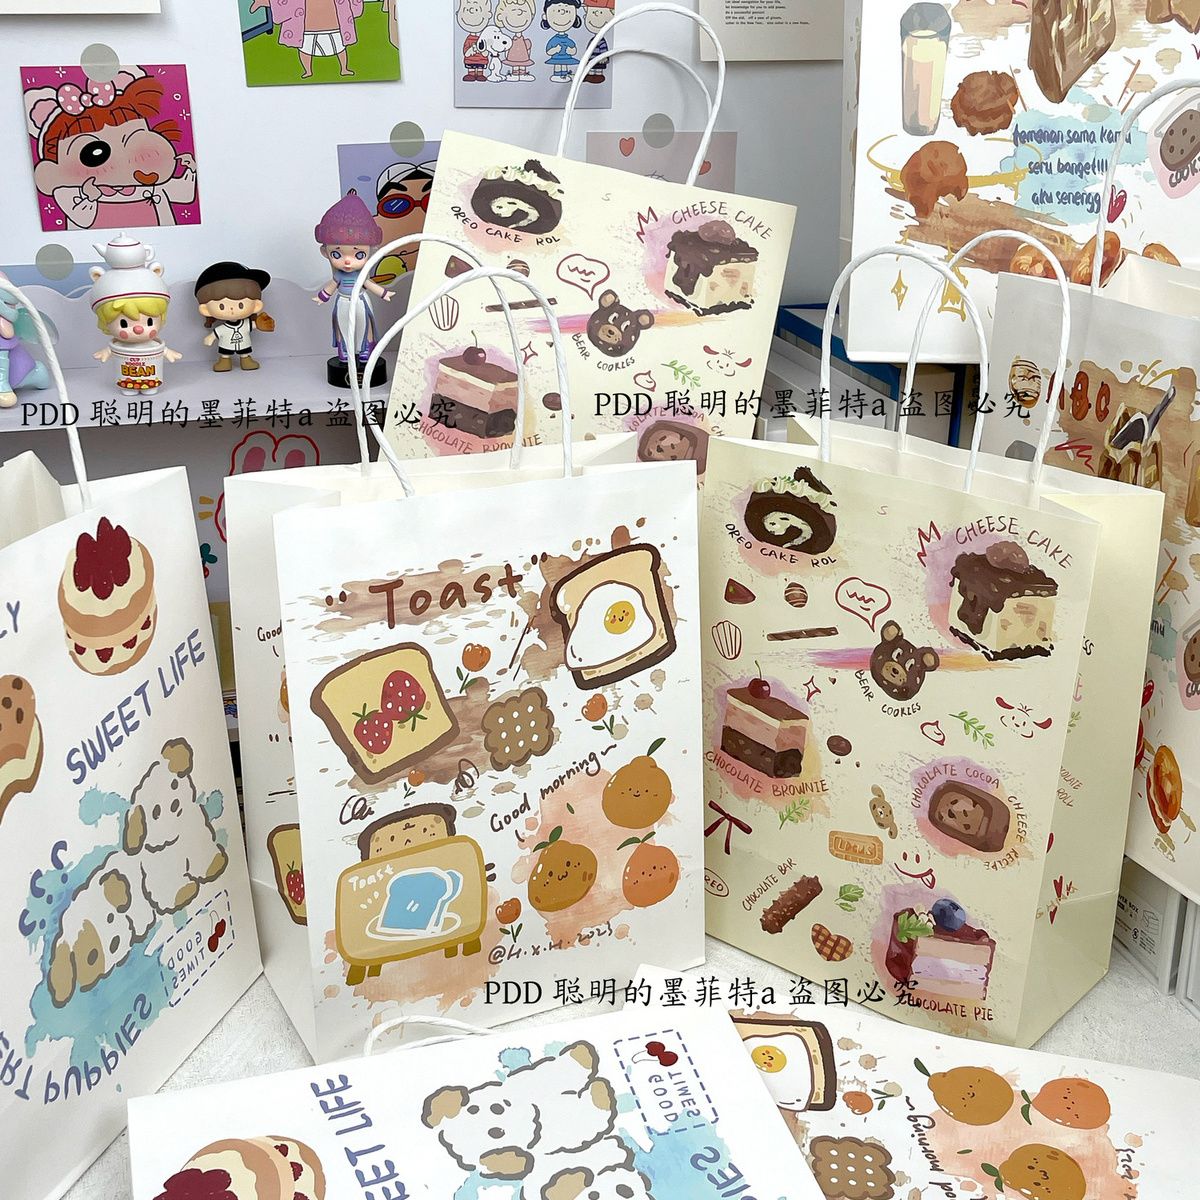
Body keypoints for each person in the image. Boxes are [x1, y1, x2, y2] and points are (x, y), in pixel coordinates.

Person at [24, 68, 197, 230]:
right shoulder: (69, 194)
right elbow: (82, 220)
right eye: (94, 153)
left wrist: (190, 170)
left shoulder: (153, 186)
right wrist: (89, 197)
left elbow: (185, 194)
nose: (121, 160)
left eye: (135, 140)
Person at [313, 190, 394, 366]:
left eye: (358, 255)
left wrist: (384, 293)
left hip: (360, 301)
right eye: (337, 254)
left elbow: (368, 284)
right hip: (342, 300)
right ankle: (344, 347)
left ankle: (366, 346)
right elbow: (332, 285)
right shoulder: (339, 275)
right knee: (341, 324)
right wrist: (322, 297)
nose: (347, 261)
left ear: (370, 252)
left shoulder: (361, 275)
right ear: (325, 252)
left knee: (365, 323)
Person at [194, 262, 275, 373]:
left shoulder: (246, 324)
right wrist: (210, 338)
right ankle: (224, 361)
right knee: (225, 354)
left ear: (256, 305)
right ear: (205, 309)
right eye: (222, 306)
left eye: (241, 305)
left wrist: (261, 324)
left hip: (244, 345)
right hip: (226, 346)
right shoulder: (223, 328)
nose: (232, 309)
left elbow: (254, 325)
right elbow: (216, 333)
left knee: (245, 352)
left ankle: (246, 360)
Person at [542, 0, 582, 82]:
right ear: (545, 16)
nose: (562, 14)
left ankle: (564, 75)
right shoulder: (553, 40)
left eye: (567, 11)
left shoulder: (568, 40)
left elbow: (573, 49)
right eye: (556, 11)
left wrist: (571, 50)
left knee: (564, 66)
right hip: (556, 58)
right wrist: (555, 50)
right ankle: (556, 75)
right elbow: (549, 51)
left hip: (566, 58)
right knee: (557, 66)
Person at [497, 0, 536, 81]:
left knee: (522, 65)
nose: (518, 13)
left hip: (523, 57)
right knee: (514, 65)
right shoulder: (510, 41)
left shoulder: (524, 41)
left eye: (522, 11)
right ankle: (514, 73)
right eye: (513, 11)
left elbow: (528, 48)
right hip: (513, 56)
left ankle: (522, 73)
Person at [581, 0, 614, 83]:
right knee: (591, 68)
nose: (596, 16)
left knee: (598, 69)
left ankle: (598, 76)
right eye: (592, 13)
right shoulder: (592, 39)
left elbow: (603, 49)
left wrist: (603, 57)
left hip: (598, 60)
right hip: (591, 59)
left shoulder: (601, 41)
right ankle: (590, 76)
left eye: (601, 13)